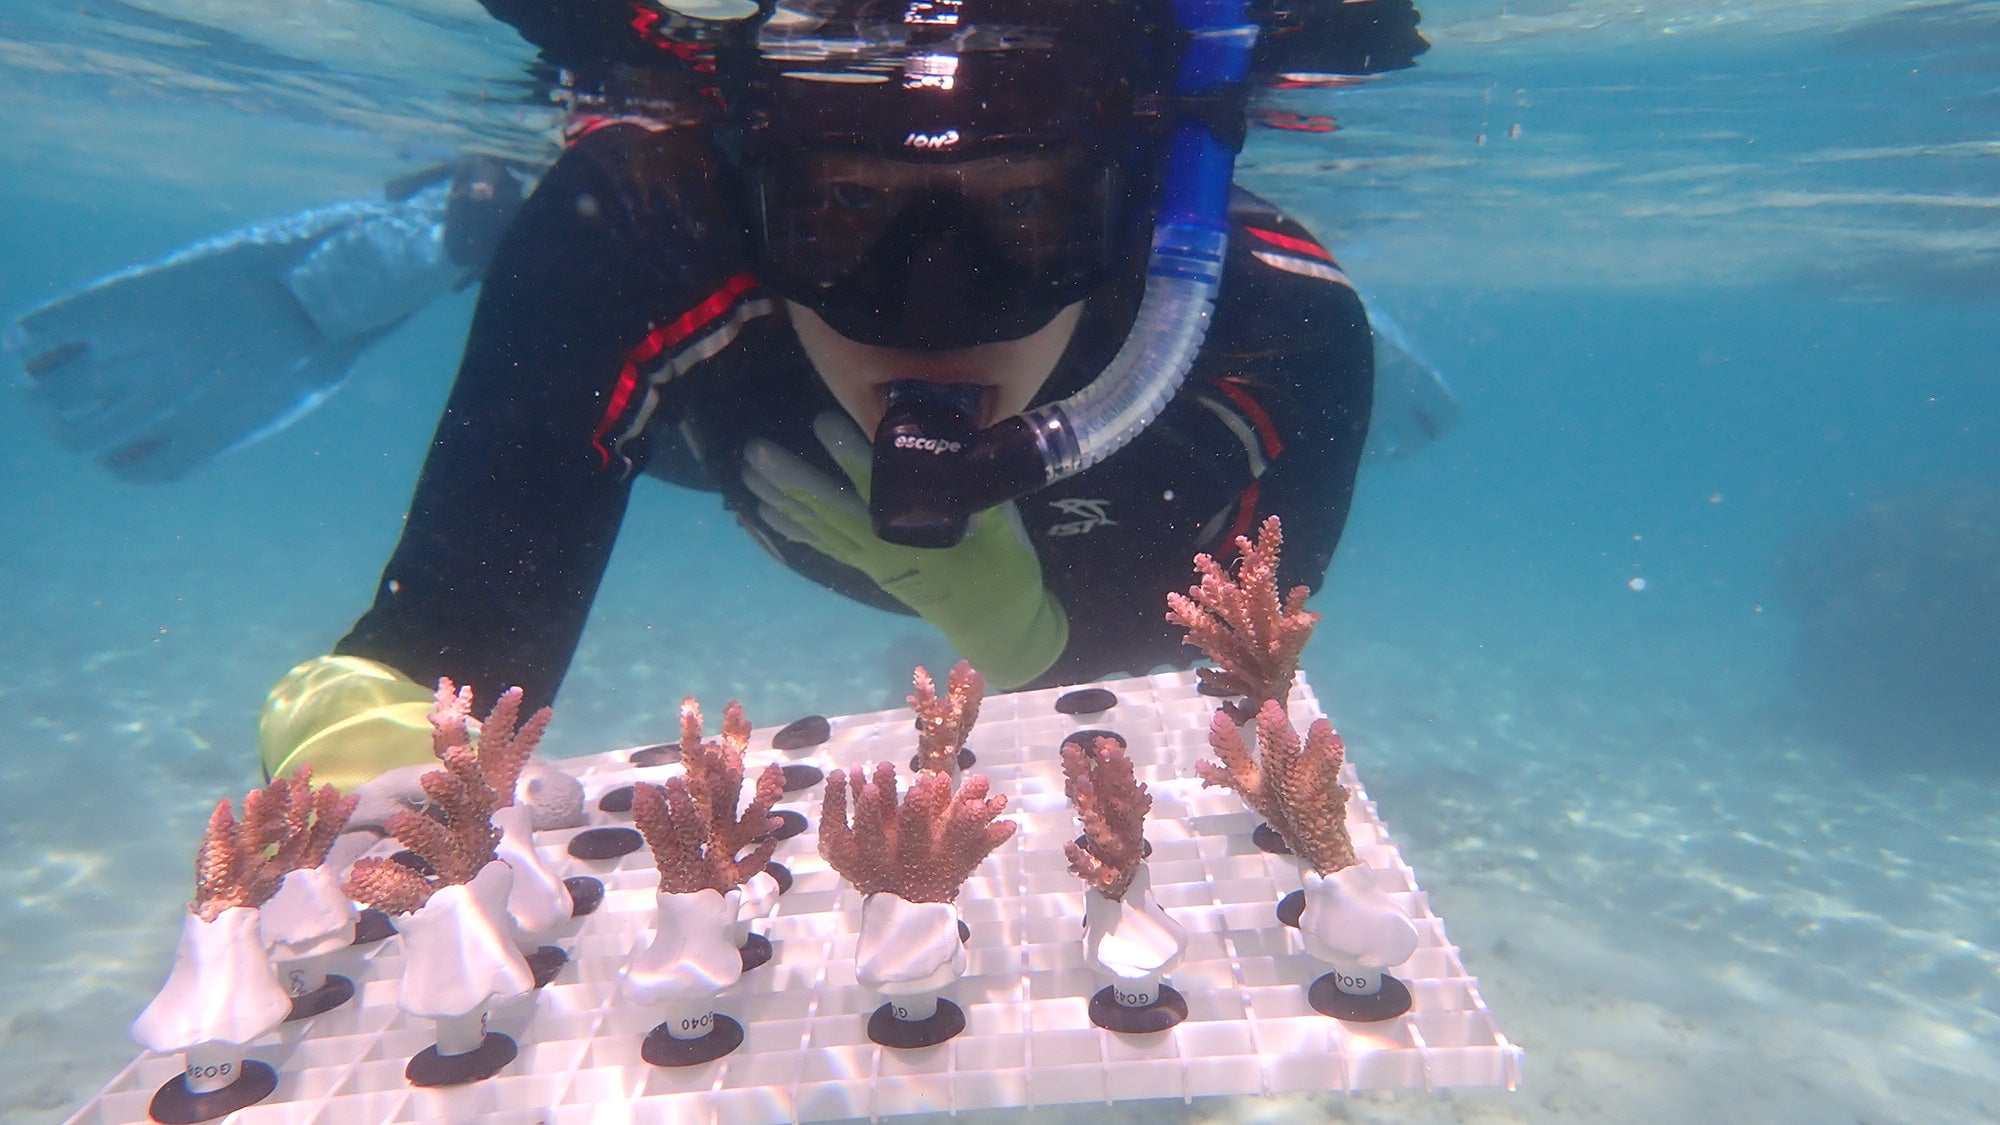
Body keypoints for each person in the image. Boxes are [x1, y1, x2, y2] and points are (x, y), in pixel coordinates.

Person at [255, 0, 1430, 791]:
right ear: (755, 207)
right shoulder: (645, 235)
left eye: (1023, 213)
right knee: (594, 276)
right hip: (720, 406)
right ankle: (473, 220)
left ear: (1125, 220)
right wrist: (367, 758)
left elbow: (1213, 710)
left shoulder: (1275, 331)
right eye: (841, 213)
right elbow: (435, 652)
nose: (934, 318)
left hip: (800, 409)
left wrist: (1030, 640)